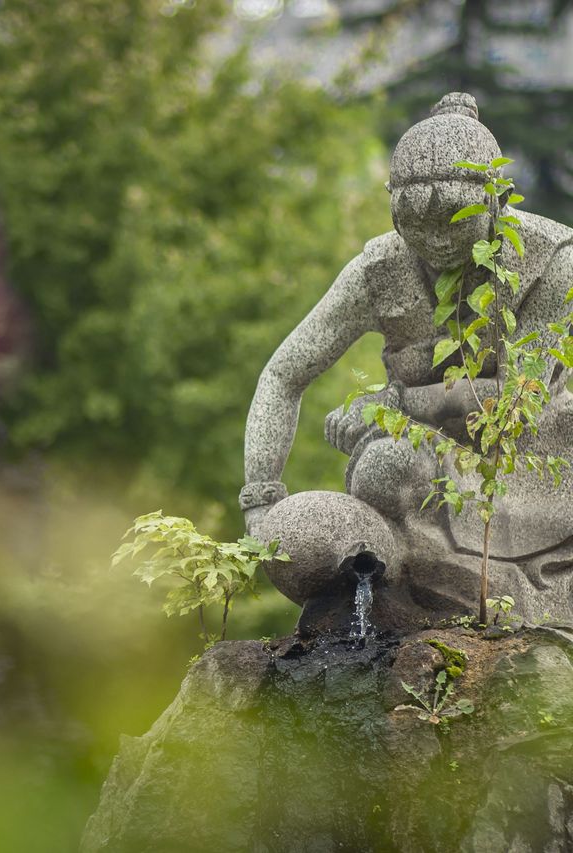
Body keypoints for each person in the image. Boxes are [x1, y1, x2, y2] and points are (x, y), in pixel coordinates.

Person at [239, 93, 573, 623]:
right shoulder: (379, 270)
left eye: (453, 219)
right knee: (377, 469)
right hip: (422, 469)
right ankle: (392, 582)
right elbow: (284, 373)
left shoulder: (552, 260)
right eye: (414, 221)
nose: (435, 239)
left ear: (498, 200)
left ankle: (493, 590)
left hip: (537, 468)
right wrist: (260, 498)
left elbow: (519, 401)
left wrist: (393, 404)